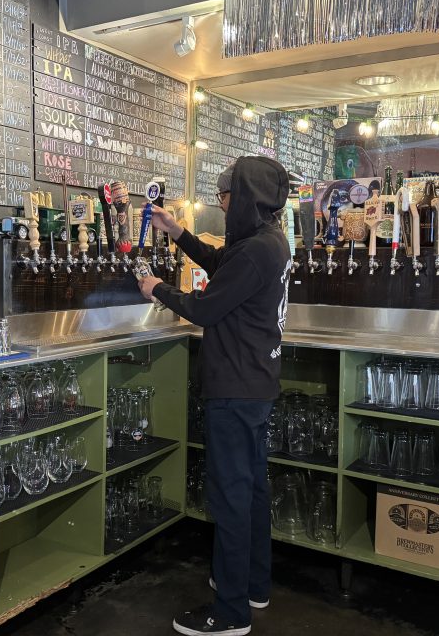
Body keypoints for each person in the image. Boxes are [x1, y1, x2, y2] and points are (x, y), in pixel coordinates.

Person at [138, 156, 292, 636]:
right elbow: (220, 264)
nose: (222, 203)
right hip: (257, 381)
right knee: (251, 490)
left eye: (226, 195)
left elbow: (205, 308)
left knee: (230, 495)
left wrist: (156, 287)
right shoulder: (268, 242)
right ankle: (252, 586)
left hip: (235, 388)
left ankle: (229, 613)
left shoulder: (254, 251)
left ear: (244, 198)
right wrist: (177, 231)